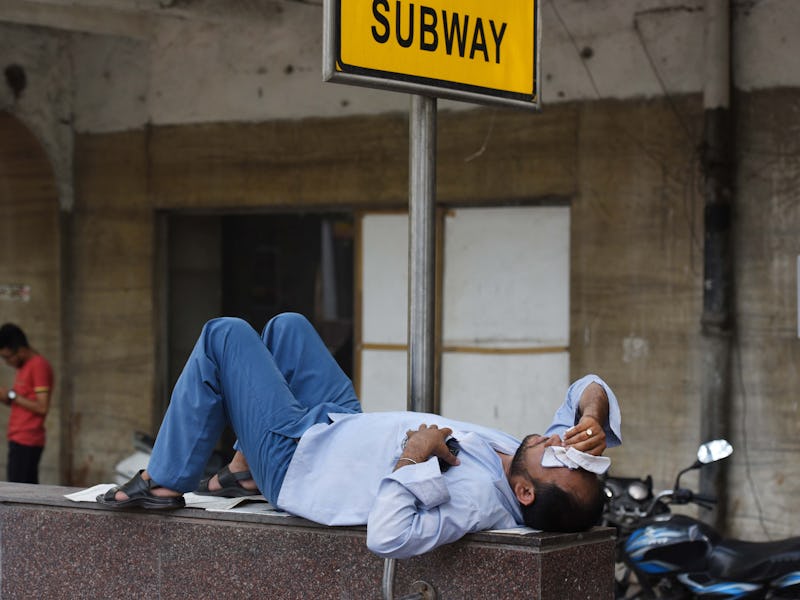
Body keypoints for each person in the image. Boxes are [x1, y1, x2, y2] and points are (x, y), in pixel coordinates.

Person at [98, 313, 621, 559]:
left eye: (566, 465)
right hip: (340, 426)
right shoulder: (531, 457)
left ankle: (163, 479)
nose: (566, 450)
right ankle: (242, 470)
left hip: (299, 460)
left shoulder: (479, 496)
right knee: (288, 329)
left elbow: (388, 536)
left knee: (223, 334)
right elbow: (586, 386)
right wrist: (593, 413)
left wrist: (414, 459)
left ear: (526, 494)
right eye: (577, 454)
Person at [0, 323, 54, 484]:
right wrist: (7, 397)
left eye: (7, 357)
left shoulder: (39, 365)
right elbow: (22, 401)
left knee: (20, 494)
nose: (6, 362)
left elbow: (42, 407)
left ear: (21, 350)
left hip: (28, 440)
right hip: (18, 438)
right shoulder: (23, 367)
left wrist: (11, 395)